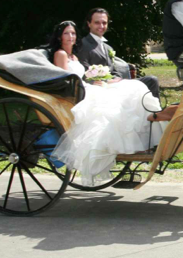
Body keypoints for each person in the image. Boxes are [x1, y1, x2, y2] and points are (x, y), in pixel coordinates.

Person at [48, 20, 165, 185]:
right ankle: (129, 142)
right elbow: (67, 80)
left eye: (73, 33)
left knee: (134, 89)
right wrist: (90, 83)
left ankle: (144, 137)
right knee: (117, 102)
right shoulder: (60, 54)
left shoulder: (73, 56)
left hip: (87, 85)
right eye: (67, 33)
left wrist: (98, 79)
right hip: (79, 91)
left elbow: (81, 76)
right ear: (60, 37)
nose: (71, 37)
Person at [77, 8, 160, 98]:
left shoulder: (108, 47)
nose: (101, 26)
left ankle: (155, 112)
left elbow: (113, 70)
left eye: (104, 23)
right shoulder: (83, 44)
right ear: (89, 24)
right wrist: (104, 82)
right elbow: (83, 70)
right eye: (97, 23)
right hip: (99, 87)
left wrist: (117, 79)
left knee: (151, 80)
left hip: (115, 83)